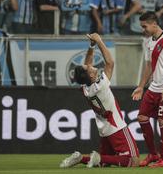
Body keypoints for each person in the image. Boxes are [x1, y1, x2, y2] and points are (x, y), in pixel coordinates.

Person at [59, 33, 140, 168]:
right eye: (88, 68)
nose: (90, 65)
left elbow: (87, 63)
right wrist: (99, 41)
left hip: (104, 128)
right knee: (133, 161)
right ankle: (97, 158)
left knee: (103, 163)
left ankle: (81, 158)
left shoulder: (85, 88)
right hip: (116, 127)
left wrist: (91, 46)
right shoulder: (100, 86)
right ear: (90, 75)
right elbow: (110, 63)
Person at [131, 11, 163, 168]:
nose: (143, 29)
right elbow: (149, 66)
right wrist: (140, 86)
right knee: (142, 117)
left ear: (154, 23)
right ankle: (153, 154)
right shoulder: (149, 42)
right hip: (153, 88)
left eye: (144, 26)